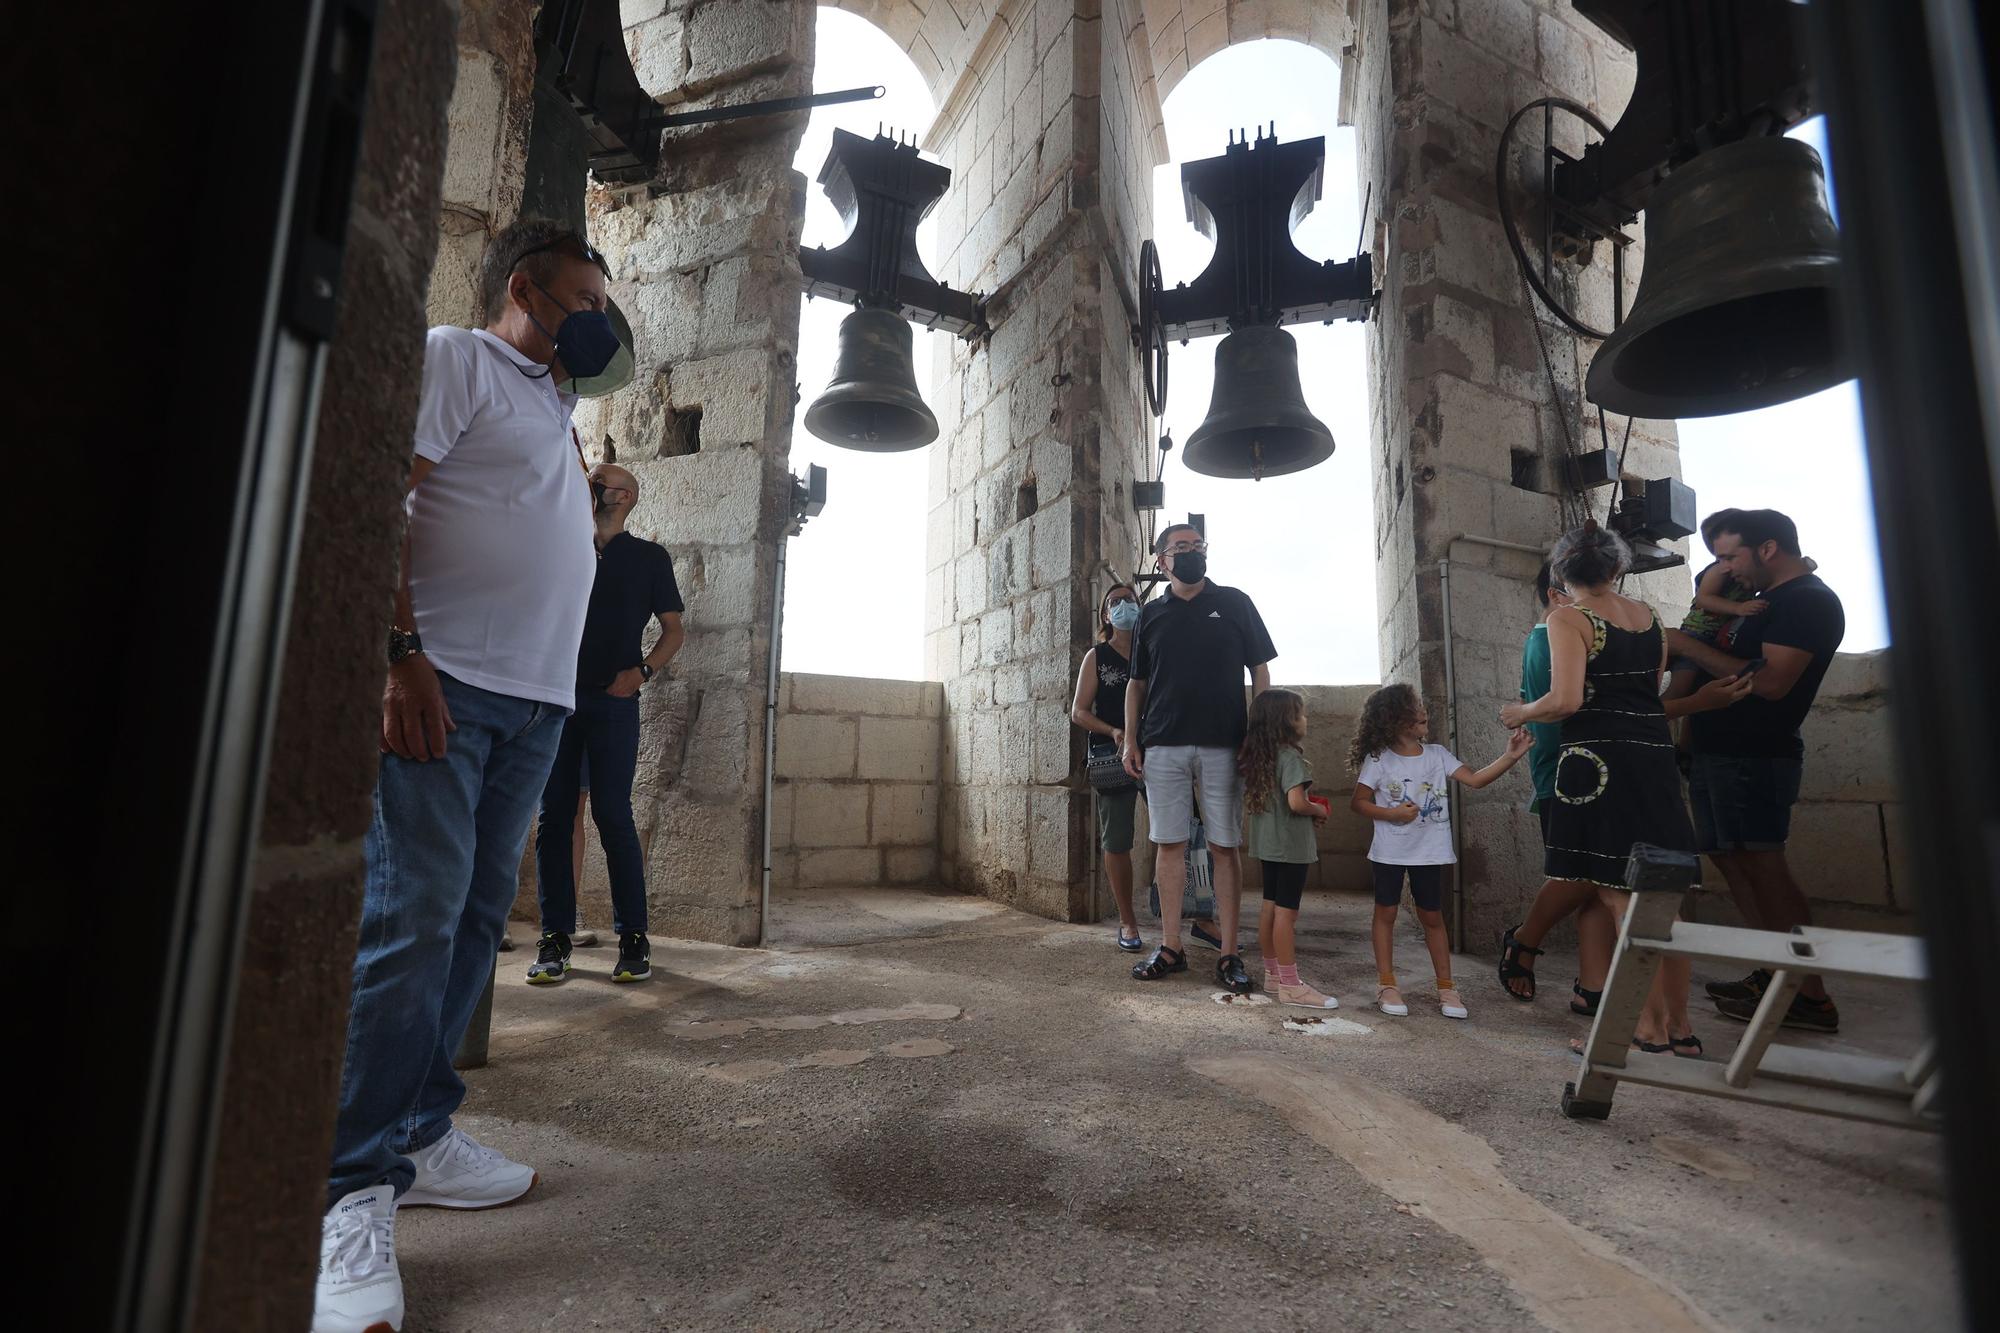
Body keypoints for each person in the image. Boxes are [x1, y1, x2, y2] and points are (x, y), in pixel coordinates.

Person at [315, 219, 616, 1333]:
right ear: (525, 289)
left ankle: (420, 1132)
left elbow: (529, 532)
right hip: (448, 685)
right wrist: (399, 655)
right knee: (412, 917)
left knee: (476, 918)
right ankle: (346, 1189)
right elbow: (385, 495)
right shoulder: (458, 356)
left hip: (535, 702)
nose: (599, 315)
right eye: (584, 295)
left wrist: (601, 513)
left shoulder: (555, 403)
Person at [1499, 521, 1749, 1055]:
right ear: (1618, 568)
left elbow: (1565, 701)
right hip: (1653, 759)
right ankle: (1681, 1029)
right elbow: (1647, 699)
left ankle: (1646, 1027)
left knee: (1617, 891)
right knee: (1663, 894)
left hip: (1598, 765)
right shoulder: (1650, 619)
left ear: (1561, 575)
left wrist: (1520, 710)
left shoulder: (1568, 617)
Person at [1665, 508, 1847, 1033]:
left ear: (1768, 549)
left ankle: (1811, 995)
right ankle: (1775, 972)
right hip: (1718, 753)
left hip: (1757, 757)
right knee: (1732, 860)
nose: (1724, 567)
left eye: (1730, 555)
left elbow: (1770, 684)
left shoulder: (1807, 601)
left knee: (1766, 868)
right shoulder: (1757, 602)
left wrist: (1685, 644)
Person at [528, 462, 685, 986]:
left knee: (612, 814)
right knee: (554, 816)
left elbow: (673, 631)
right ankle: (554, 940)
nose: (590, 485)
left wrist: (640, 674)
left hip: (613, 703)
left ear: (624, 497)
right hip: (556, 700)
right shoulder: (563, 544)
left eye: (599, 481)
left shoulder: (648, 558)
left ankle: (634, 938)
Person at [1122, 523, 1276, 993]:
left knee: (1224, 848)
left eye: (1197, 546)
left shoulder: (1234, 602)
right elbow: (1137, 684)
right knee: (1167, 845)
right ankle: (1171, 947)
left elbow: (1261, 669)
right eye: (1180, 548)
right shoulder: (1150, 614)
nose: (1191, 553)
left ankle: (1229, 952)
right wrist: (1131, 741)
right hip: (1163, 743)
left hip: (1223, 743)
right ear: (1161, 561)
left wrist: (1258, 733)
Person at [1348, 683, 1531, 1020]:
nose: (1424, 713)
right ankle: (1387, 984)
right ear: (1397, 718)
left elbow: (1475, 780)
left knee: (1432, 917)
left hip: (1429, 852)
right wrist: (1392, 814)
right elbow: (1358, 803)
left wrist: (1510, 756)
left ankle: (1447, 987)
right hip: (1389, 851)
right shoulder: (1378, 760)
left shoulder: (1437, 755)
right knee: (1385, 913)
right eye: (1417, 708)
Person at [1505, 564, 1614, 1017]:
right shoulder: (1546, 638)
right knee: (1578, 876)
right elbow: (1554, 715)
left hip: (1596, 775)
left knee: (1598, 882)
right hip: (1566, 779)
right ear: (1556, 594)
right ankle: (1524, 940)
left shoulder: (1574, 634)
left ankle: (1591, 984)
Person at [1240, 688, 1337, 1007]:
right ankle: (1292, 984)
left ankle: (1273, 975)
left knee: (1269, 907)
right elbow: (1296, 802)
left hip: (1268, 845)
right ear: (1286, 722)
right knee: (1286, 914)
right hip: (1291, 848)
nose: (1305, 719)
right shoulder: (1291, 757)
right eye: (1300, 714)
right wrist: (1318, 810)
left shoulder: (1261, 757)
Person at [1069, 583, 1148, 951]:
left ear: (1139, 605)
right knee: (1116, 841)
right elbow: (1079, 712)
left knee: (1184, 833)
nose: (1122, 606)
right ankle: (1128, 922)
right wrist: (1114, 730)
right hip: (1114, 758)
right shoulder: (1097, 657)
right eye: (1114, 602)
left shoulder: (1153, 650)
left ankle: (1200, 917)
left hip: (1160, 754)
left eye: (1128, 600)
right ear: (1105, 615)